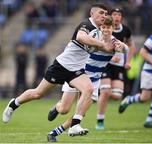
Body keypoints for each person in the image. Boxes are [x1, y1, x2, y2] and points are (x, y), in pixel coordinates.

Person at [2, 4, 119, 136]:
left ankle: (75, 125)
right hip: (61, 66)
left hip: (76, 70)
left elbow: (102, 48)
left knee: (89, 89)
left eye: (105, 14)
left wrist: (114, 47)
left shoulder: (98, 32)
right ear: (92, 14)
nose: (103, 16)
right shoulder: (87, 24)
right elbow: (81, 37)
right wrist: (101, 44)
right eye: (101, 13)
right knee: (38, 94)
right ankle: (14, 104)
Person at [47, 15, 128, 142]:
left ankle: (54, 133)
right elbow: (76, 44)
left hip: (94, 81)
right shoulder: (93, 38)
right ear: (100, 27)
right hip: (77, 75)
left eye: (109, 27)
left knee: (81, 114)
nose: (106, 30)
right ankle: (57, 107)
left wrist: (121, 47)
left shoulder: (115, 42)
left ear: (113, 28)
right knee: (64, 109)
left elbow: (124, 50)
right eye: (103, 27)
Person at [96, 8, 136, 130]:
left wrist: (128, 61)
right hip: (105, 65)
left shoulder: (125, 31)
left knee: (117, 95)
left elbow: (130, 47)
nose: (116, 16)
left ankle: (127, 100)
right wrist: (111, 57)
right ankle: (100, 120)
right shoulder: (102, 29)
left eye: (119, 14)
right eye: (114, 14)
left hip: (118, 67)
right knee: (105, 91)